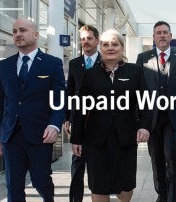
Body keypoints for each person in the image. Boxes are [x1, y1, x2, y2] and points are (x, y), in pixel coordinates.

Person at [70, 29, 152, 202]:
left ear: (122, 48)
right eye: (106, 44)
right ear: (100, 47)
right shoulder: (90, 74)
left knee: (125, 186)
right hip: (96, 140)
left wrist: (144, 126)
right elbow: (80, 108)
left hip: (126, 138)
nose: (110, 48)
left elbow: (145, 102)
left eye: (115, 44)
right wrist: (76, 138)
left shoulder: (135, 72)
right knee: (99, 185)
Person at [0, 18, 65, 201]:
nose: (18, 35)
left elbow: (59, 100)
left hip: (39, 135)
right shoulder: (4, 65)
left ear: (36, 34)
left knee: (41, 182)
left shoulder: (52, 63)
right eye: (14, 31)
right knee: (13, 187)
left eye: (22, 30)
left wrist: (55, 125)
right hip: (11, 136)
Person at [136, 20, 176, 202]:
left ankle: (174, 198)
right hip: (152, 118)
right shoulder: (143, 58)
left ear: (171, 37)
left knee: (172, 159)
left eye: (165, 32)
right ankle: (162, 196)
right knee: (156, 160)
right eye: (158, 32)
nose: (162, 35)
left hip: (174, 119)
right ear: (154, 37)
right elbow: (139, 89)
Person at [64, 25, 101, 202]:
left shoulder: (106, 61)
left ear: (97, 41)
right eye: (83, 38)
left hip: (101, 122)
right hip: (79, 122)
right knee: (77, 166)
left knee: (98, 167)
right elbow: (69, 93)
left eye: (89, 38)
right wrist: (66, 118)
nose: (85, 42)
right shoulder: (74, 64)